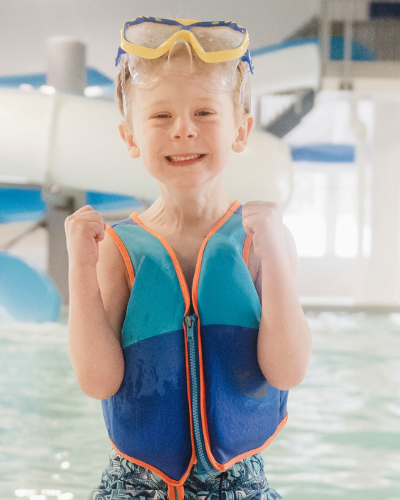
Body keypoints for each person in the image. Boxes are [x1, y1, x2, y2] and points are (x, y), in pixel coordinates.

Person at [64, 17, 312, 500]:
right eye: (160, 117)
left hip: (241, 483)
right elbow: (98, 381)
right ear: (131, 136)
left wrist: (277, 258)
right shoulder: (118, 251)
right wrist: (79, 268)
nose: (183, 130)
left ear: (241, 131)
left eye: (204, 113)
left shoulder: (260, 243)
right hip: (137, 486)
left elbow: (287, 371)